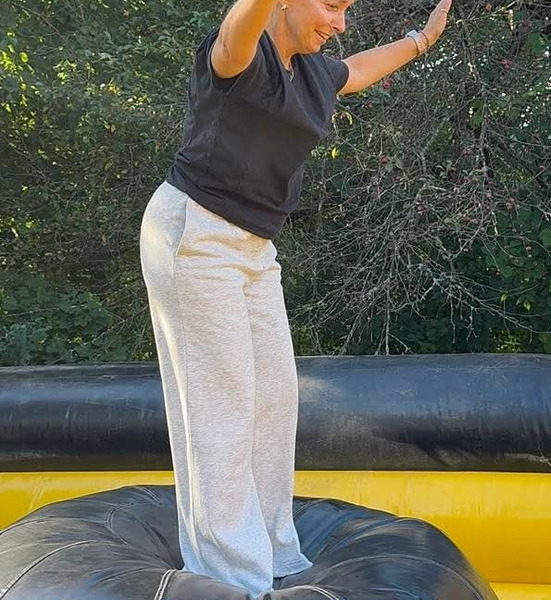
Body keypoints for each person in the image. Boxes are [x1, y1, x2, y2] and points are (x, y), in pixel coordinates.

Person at [138, 0, 452, 597]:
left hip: (255, 248)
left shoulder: (311, 71)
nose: (340, 23)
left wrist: (421, 40)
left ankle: (275, 549)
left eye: (346, 9)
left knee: (276, 398)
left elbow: (359, 70)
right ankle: (232, 576)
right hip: (195, 234)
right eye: (331, 6)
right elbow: (239, 28)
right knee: (222, 405)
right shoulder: (240, 54)